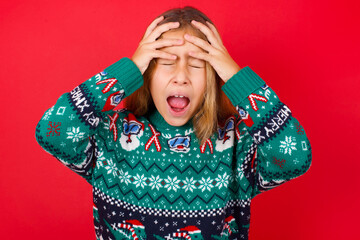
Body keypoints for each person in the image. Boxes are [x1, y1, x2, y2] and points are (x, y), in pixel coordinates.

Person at [35, 6, 312, 240]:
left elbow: (295, 156)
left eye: (196, 64)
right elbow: (51, 131)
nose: (181, 77)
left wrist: (235, 76)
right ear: (147, 72)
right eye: (166, 62)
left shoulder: (234, 143)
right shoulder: (112, 135)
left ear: (213, 77)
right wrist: (127, 69)